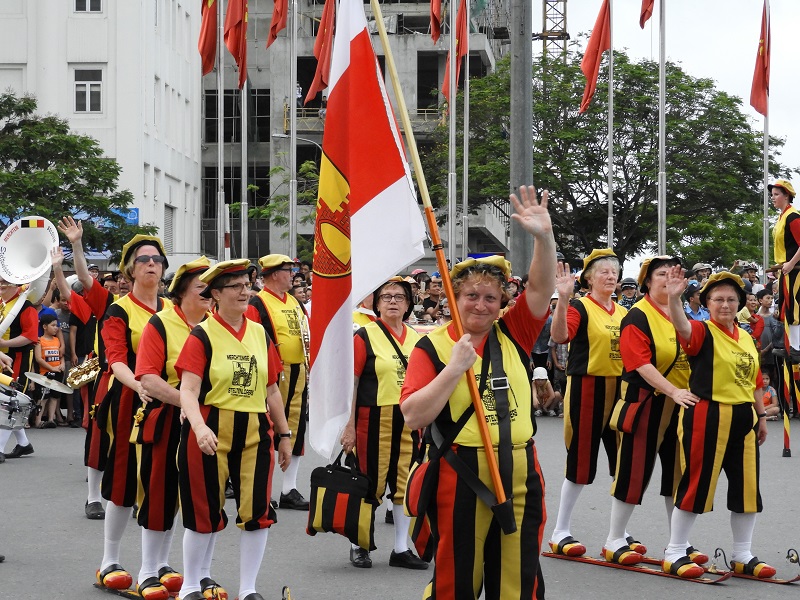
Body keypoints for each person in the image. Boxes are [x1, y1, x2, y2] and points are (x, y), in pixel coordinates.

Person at [400, 185, 555, 600]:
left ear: (502, 301)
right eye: (471, 296)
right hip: (461, 471)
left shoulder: (514, 331)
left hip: (521, 468)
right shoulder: (431, 346)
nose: (481, 305)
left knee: (519, 579)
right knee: (458, 579)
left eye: (491, 297)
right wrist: (454, 369)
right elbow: (414, 416)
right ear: (454, 299)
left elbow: (540, 289)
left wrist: (543, 237)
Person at [175, 259, 292, 600]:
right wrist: (198, 428)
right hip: (210, 429)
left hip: (255, 431)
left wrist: (284, 436)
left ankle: (248, 589)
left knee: (257, 511)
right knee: (203, 510)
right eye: (236, 286)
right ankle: (191, 586)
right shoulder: (202, 334)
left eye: (247, 285)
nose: (245, 292)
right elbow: (188, 390)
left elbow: (271, 390)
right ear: (215, 294)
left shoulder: (259, 333)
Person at [664, 269, 775, 579]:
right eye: (718, 299)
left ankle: (743, 554)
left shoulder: (745, 335)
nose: (725, 305)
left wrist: (761, 418)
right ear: (707, 303)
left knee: (747, 489)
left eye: (731, 299)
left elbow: (753, 381)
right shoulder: (701, 330)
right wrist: (674, 299)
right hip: (708, 415)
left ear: (739, 302)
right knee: (696, 484)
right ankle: (675, 551)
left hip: (745, 419)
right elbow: (682, 327)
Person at [602, 257, 709, 567]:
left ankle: (679, 542)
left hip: (681, 403)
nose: (667, 279)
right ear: (647, 281)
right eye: (661, 274)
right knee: (633, 471)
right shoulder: (637, 316)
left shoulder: (680, 314)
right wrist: (672, 390)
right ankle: (615, 538)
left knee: (678, 474)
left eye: (673, 274)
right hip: (645, 400)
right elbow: (639, 363)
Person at [94, 234, 173, 594]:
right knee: (125, 480)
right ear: (129, 269)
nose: (152, 264)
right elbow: (116, 359)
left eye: (157, 258)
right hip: (130, 402)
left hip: (169, 403)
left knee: (166, 481)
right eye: (144, 259)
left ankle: (159, 562)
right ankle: (109, 560)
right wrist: (140, 384)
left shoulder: (172, 309)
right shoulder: (119, 309)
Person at [133, 257, 212, 600]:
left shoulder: (218, 325)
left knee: (204, 501)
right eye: (203, 288)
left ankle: (198, 574)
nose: (211, 294)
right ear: (181, 292)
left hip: (211, 423)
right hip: (167, 417)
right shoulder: (160, 324)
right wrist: (188, 404)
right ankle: (148, 571)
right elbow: (148, 377)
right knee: (160, 495)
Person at [340, 277, 427, 570]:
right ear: (375, 304)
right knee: (368, 484)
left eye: (399, 297)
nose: (392, 301)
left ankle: (401, 548)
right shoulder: (363, 336)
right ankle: (359, 544)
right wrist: (349, 425)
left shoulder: (417, 339)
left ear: (408, 304)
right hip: (371, 420)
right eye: (386, 296)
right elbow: (350, 385)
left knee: (404, 483)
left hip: (409, 420)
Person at [548, 248, 628, 557]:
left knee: (623, 462)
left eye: (614, 271)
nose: (610, 276)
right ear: (589, 279)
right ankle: (561, 531)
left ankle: (619, 533)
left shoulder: (624, 313)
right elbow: (559, 336)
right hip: (587, 389)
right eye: (603, 271)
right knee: (580, 462)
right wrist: (564, 298)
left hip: (620, 390)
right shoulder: (579, 307)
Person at [245, 254, 310, 510]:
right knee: (268, 428)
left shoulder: (295, 302)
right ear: (273, 274)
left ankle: (289, 488)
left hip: (298, 371)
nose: (293, 273)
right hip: (272, 375)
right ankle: (264, 489)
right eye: (288, 269)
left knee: (296, 427)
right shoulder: (257, 303)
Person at [0, 275, 38, 461]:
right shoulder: (1, 303)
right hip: (2, 357)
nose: (1, 284)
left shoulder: (26, 306)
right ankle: (23, 444)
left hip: (18, 358)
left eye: (4, 281)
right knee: (7, 402)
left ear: (16, 286)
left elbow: (30, 336)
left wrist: (4, 342)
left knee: (11, 401)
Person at [770, 179, 800, 362]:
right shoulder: (782, 216)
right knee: (785, 307)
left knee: (793, 307)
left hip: (794, 269)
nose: (773, 198)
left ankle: (796, 348)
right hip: (785, 269)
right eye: (772, 195)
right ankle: (790, 345)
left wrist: (790, 263)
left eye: (776, 194)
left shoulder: (793, 216)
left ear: (786, 195)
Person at [33, 312, 64, 428]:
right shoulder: (39, 341)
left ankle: (51, 419)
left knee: (54, 396)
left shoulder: (57, 340)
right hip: (45, 373)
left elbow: (61, 355)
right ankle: (38, 420)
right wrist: (51, 368)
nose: (56, 328)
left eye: (57, 325)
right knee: (43, 397)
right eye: (53, 325)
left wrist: (61, 364)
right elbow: (38, 358)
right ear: (45, 326)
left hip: (57, 372)